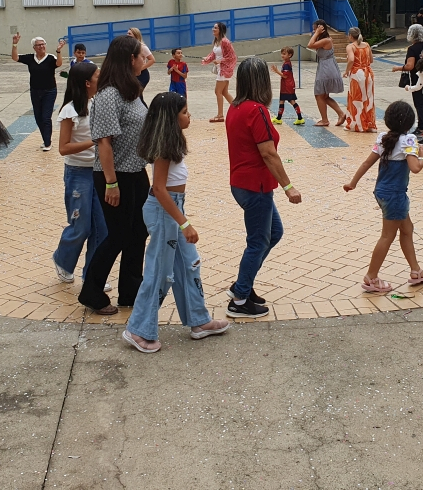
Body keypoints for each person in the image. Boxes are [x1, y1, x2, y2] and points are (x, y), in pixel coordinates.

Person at [122, 93, 231, 352]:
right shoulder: (163, 147)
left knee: (189, 264)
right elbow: (159, 189)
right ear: (171, 118)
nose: (189, 116)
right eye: (184, 112)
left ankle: (199, 320)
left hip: (173, 208)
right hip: (164, 212)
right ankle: (137, 330)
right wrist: (184, 223)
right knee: (159, 273)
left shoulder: (172, 143)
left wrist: (181, 218)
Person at [77, 36, 150, 315]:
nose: (144, 60)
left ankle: (130, 291)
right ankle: (91, 291)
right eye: (140, 56)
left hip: (136, 171)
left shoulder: (131, 90)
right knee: (118, 235)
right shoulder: (108, 96)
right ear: (130, 59)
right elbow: (104, 143)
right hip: (114, 175)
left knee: (138, 232)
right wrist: (111, 183)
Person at [225, 57, 302, 318]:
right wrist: (288, 186)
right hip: (254, 185)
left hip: (244, 183)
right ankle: (239, 299)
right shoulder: (256, 110)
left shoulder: (235, 107)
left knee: (274, 233)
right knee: (258, 242)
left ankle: (242, 284)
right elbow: (268, 153)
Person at [343, 101, 423, 292]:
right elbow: (415, 168)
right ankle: (371, 277)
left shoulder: (384, 139)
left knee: (407, 229)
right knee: (387, 236)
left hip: (382, 192)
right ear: (410, 122)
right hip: (395, 196)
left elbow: (366, 163)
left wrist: (353, 182)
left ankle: (416, 270)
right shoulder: (408, 140)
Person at [53, 61, 110, 286]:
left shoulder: (97, 103)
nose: (101, 78)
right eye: (97, 76)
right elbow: (63, 148)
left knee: (102, 227)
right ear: (87, 83)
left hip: (98, 172)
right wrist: (93, 142)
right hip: (78, 173)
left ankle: (93, 276)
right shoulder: (70, 111)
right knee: (81, 225)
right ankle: (62, 260)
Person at [11, 33, 65, 151]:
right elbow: (15, 58)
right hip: (35, 91)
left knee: (46, 117)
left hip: (49, 91)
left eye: (43, 44)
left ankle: (48, 143)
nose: (41, 46)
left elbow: (59, 64)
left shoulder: (50, 58)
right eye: (38, 45)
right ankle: (45, 139)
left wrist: (59, 51)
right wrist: (15, 44)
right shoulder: (30, 58)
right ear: (34, 47)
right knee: (38, 117)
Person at [307, 19, 346, 127]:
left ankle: (325, 120)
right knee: (324, 96)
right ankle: (341, 114)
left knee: (319, 95)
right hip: (326, 67)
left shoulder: (326, 40)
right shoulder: (325, 40)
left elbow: (310, 45)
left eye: (315, 29)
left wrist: (317, 33)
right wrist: (317, 33)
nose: (313, 31)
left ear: (321, 29)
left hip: (326, 69)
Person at [391, 24, 423, 133]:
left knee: (419, 103)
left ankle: (422, 126)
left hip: (417, 79)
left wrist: (397, 68)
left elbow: (410, 66)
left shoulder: (412, 49)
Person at [201, 22, 237, 122]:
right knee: (224, 92)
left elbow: (232, 57)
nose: (213, 29)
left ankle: (220, 115)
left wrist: (220, 61)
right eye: (213, 27)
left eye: (215, 28)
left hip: (224, 70)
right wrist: (207, 59)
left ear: (220, 30)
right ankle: (238, 109)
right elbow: (213, 54)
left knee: (218, 91)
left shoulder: (225, 41)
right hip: (220, 69)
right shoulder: (217, 41)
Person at [343, 27, 377, 132]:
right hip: (368, 74)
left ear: (350, 36)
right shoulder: (367, 45)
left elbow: (351, 59)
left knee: (356, 98)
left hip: (357, 75)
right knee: (369, 98)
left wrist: (346, 71)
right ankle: (369, 123)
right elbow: (371, 60)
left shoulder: (350, 47)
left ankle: (357, 124)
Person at [270, 47, 305, 125]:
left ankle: (299, 118)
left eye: (284, 54)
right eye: (282, 53)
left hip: (287, 86)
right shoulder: (287, 63)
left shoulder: (286, 65)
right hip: (287, 86)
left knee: (290, 101)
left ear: (289, 55)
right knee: (283, 101)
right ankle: (279, 118)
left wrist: (276, 71)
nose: (282, 55)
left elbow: (285, 76)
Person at [127, 28, 155, 98]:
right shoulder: (129, 46)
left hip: (142, 74)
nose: (127, 35)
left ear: (136, 35)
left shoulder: (142, 47)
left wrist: (140, 68)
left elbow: (152, 60)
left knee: (137, 95)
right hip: (132, 73)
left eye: (130, 34)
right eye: (127, 33)